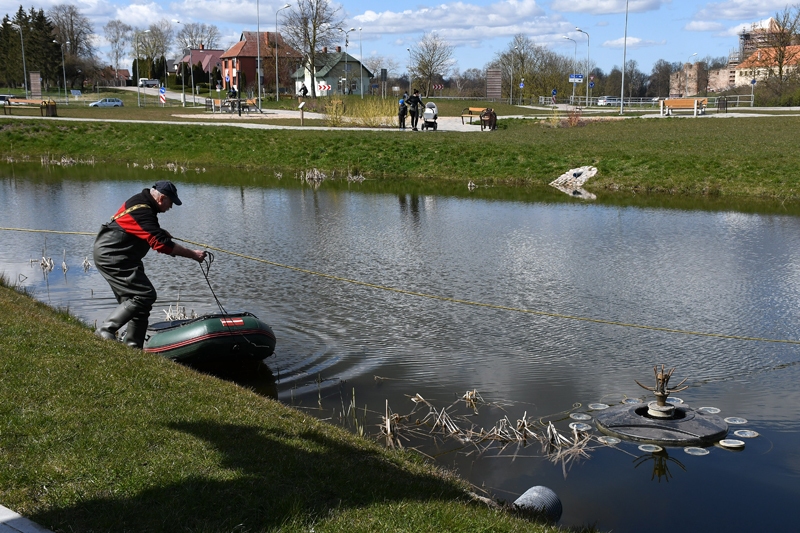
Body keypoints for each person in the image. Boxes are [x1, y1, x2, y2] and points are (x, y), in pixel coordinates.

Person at [93, 181, 207, 349]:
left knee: (140, 306)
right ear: (161, 198)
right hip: (114, 256)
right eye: (171, 202)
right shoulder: (144, 210)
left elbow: (141, 229)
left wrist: (160, 232)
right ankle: (105, 330)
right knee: (145, 295)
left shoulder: (141, 202)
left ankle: (132, 348)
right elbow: (162, 245)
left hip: (120, 256)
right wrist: (194, 255)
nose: (171, 207)